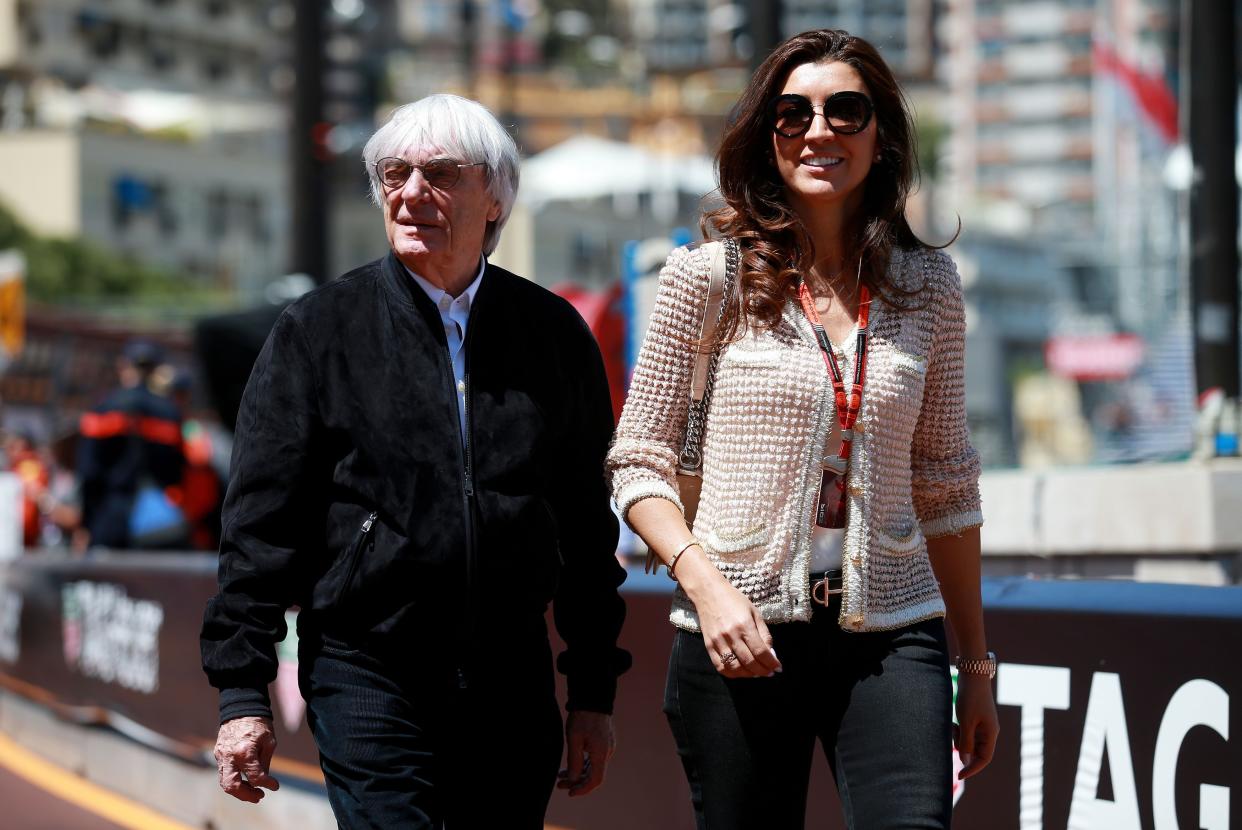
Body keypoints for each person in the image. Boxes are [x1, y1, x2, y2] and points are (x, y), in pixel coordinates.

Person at [201, 94, 630, 829]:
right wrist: (243, 696)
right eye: (395, 174)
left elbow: (588, 527)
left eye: (440, 175)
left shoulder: (552, 333)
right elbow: (259, 522)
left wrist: (592, 694)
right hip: (367, 664)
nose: (410, 194)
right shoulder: (317, 329)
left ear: (494, 197)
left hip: (511, 676)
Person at [607, 29, 999, 829]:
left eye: (845, 111)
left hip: (892, 628)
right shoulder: (702, 278)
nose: (819, 131)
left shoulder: (929, 287)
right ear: (768, 136)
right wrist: (707, 590)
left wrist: (976, 663)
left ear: (880, 135)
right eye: (793, 115)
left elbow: (946, 483)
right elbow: (636, 463)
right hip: (741, 633)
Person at [75, 339, 186, 550]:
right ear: (155, 369)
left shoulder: (103, 409)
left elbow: (89, 473)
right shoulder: (170, 414)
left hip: (109, 518)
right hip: (158, 525)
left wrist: (87, 522)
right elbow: (178, 472)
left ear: (123, 366)